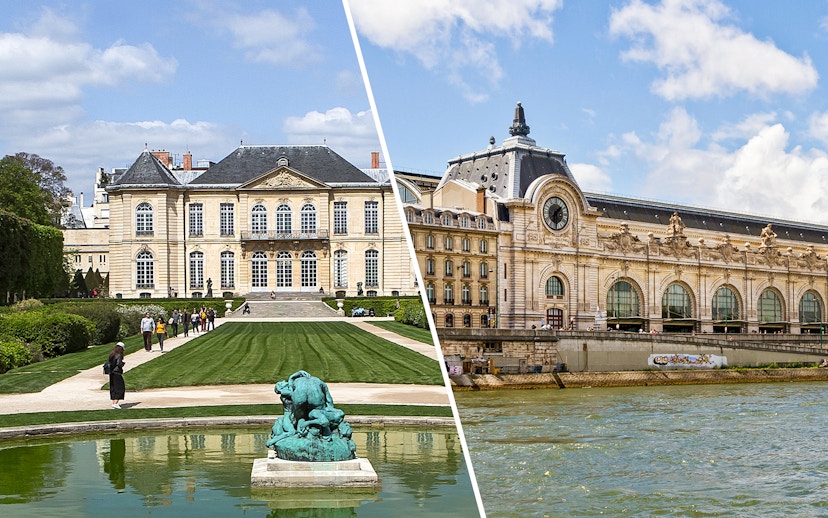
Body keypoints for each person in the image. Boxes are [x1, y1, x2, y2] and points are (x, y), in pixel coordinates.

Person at [107, 342, 126, 409]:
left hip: (111, 373)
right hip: (117, 373)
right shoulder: (119, 355)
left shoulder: (112, 354)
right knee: (120, 387)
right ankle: (115, 403)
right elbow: (118, 364)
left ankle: (114, 402)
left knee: (113, 387)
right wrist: (122, 364)